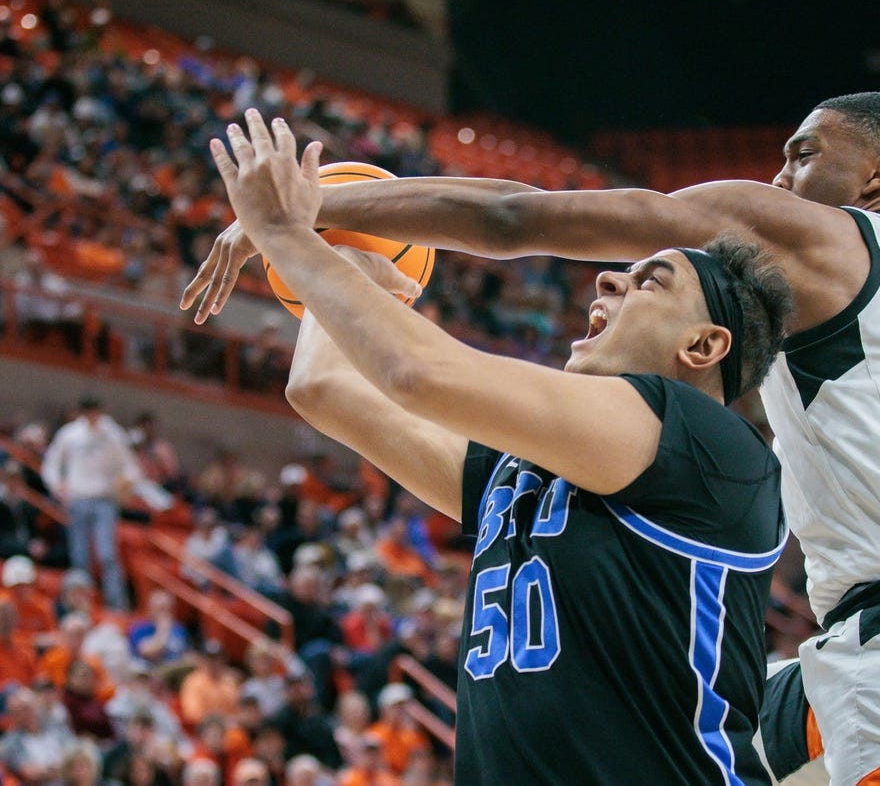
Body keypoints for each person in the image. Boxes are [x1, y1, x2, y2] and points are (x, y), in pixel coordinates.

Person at [182, 95, 880, 783]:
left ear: (878, 174)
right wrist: (326, 259)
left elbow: (517, 220)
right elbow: (331, 387)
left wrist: (305, 212)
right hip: (871, 643)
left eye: (804, 152)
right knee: (704, 721)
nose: (778, 176)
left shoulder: (807, 250)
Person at [196, 110, 790, 784]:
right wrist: (349, 256)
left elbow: (419, 373)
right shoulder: (523, 473)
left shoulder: (707, 444)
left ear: (703, 345)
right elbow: (322, 385)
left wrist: (284, 230)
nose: (606, 280)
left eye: (651, 280)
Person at [41, 395, 140, 610]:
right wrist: (56, 485)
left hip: (105, 501)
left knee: (107, 555)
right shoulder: (71, 434)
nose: (91, 416)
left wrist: (127, 484)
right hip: (78, 500)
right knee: (80, 557)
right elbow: (51, 464)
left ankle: (117, 605)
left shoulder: (112, 434)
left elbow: (130, 467)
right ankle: (81, 605)